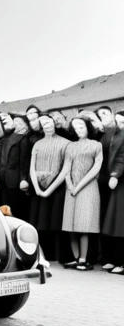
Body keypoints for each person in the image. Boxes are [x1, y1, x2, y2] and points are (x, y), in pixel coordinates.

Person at [63, 116, 103, 269]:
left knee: (83, 224)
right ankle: (75, 258)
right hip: (71, 188)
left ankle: (83, 259)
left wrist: (78, 186)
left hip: (88, 187)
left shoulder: (96, 145)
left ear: (87, 127)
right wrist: (70, 185)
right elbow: (66, 167)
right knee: (70, 224)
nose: (78, 130)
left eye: (81, 127)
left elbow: (96, 168)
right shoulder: (70, 146)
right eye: (75, 128)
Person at [29, 114, 70, 262]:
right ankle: (42, 255)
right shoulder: (37, 144)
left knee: (56, 222)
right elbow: (31, 168)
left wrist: (49, 190)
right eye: (42, 122)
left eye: (48, 120)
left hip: (57, 187)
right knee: (39, 222)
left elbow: (66, 169)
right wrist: (37, 188)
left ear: (54, 123)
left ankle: (59, 256)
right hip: (38, 188)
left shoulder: (66, 143)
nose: (46, 124)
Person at [103, 111, 124, 273]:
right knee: (114, 223)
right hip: (117, 184)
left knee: (120, 224)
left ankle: (121, 263)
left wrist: (115, 174)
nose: (119, 124)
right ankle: (114, 260)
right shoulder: (115, 134)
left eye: (122, 122)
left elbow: (121, 158)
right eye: (117, 122)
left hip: (120, 181)